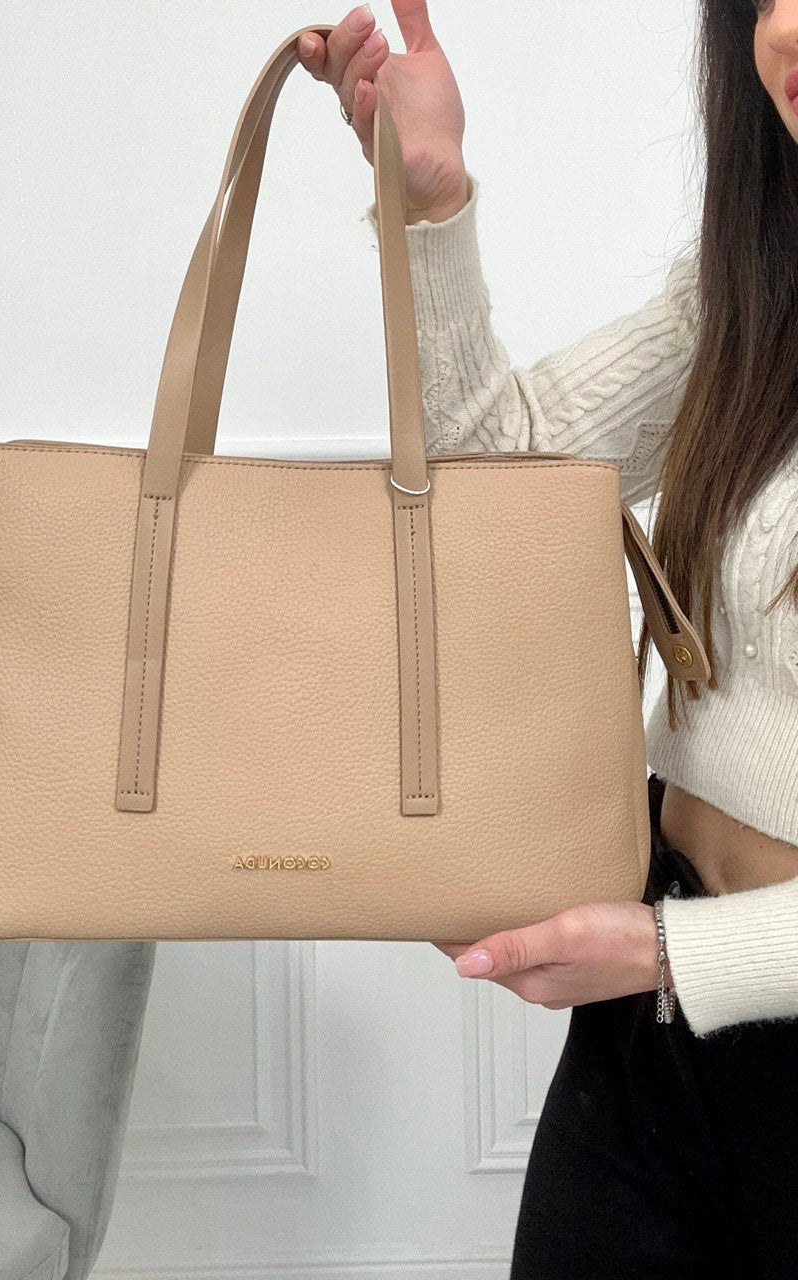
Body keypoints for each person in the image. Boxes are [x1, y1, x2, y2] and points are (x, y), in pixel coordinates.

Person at [299, 4, 798, 1277]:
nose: (788, 26)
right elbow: (502, 476)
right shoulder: (753, 291)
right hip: (654, 1032)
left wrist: (672, 953)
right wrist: (433, 204)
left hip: (690, 969)